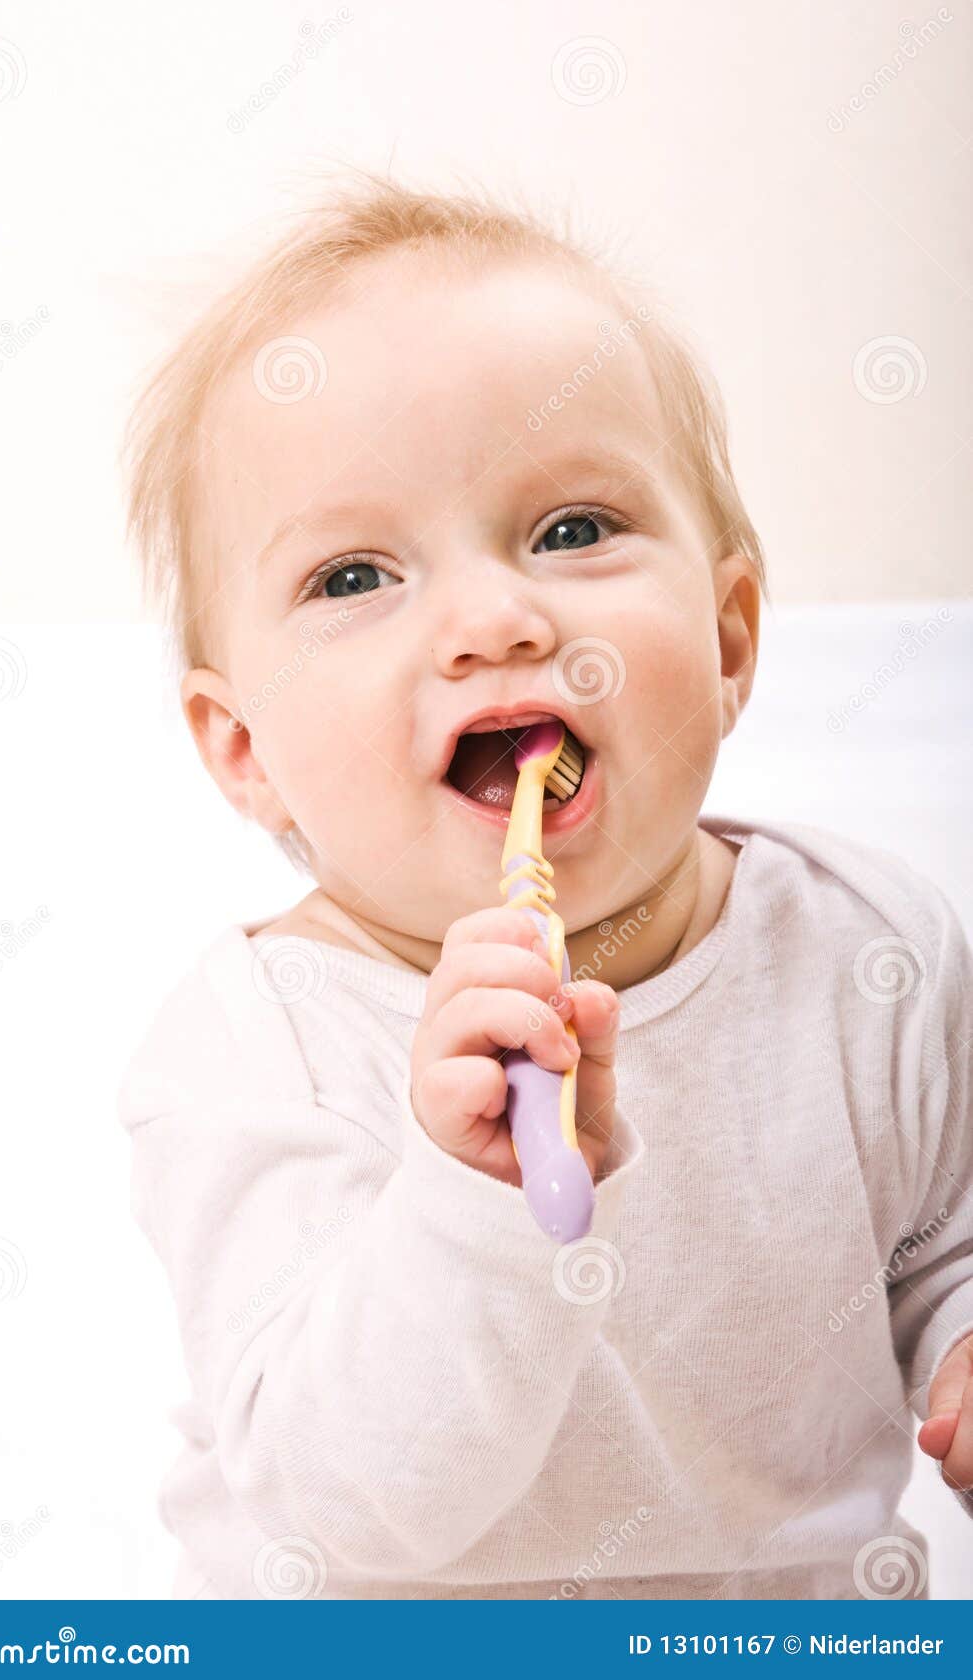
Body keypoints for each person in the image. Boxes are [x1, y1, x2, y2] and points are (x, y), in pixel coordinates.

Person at [117, 169, 973, 1600]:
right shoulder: (253, 1051)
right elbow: (345, 1507)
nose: (495, 619)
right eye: (353, 576)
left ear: (729, 635)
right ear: (245, 749)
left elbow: (939, 1240)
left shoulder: (868, 951)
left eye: (571, 529)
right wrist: (471, 1190)